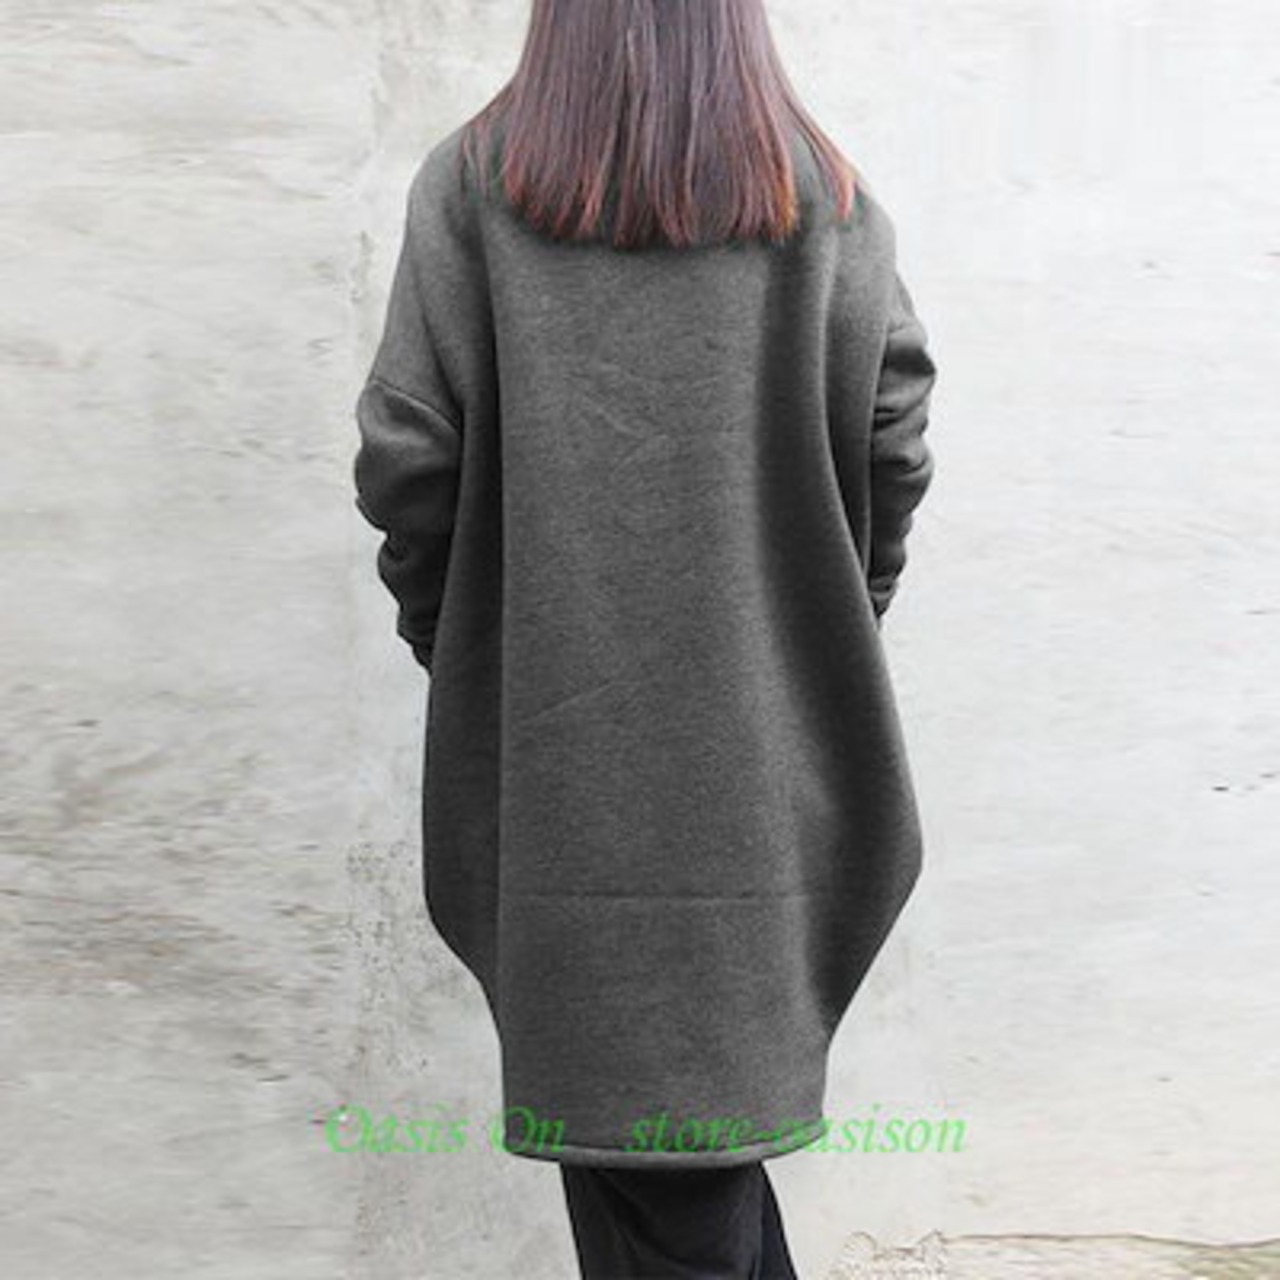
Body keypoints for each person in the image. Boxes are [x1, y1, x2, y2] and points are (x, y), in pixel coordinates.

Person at [353, 0, 938, 1274]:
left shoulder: (473, 189)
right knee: (671, 1170)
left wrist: (472, 649)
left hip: (557, 788)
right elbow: (891, 432)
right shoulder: (823, 197)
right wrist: (822, 635)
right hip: (758, 790)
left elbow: (407, 456)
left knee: (655, 1173)